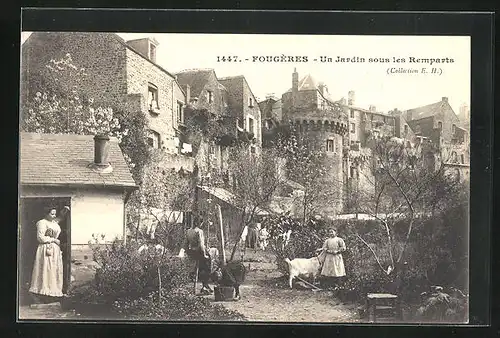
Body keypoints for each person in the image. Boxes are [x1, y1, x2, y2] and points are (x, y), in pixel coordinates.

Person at [29, 205, 70, 303]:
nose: (53, 216)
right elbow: (40, 238)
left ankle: (53, 293)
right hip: (45, 249)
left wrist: (64, 211)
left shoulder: (54, 222)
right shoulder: (42, 223)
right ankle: (42, 293)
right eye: (52, 214)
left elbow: (59, 219)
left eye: (55, 214)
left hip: (55, 250)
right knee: (46, 269)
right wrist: (54, 240)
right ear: (46, 213)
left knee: (53, 270)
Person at [184, 216, 212, 295]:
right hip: (199, 253)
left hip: (192, 252)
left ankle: (205, 285)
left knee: (201, 267)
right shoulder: (199, 231)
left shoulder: (188, 231)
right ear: (199, 223)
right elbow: (201, 245)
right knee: (208, 266)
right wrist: (204, 255)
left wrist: (189, 252)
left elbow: (185, 244)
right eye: (201, 223)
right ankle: (205, 285)